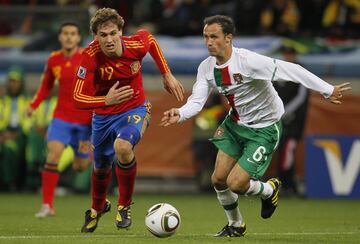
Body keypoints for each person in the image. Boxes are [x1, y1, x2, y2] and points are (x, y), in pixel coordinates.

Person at [160, 15, 351, 237]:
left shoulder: (249, 61)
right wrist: (180, 113)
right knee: (218, 179)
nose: (208, 42)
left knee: (236, 184)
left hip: (264, 129)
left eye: (214, 37)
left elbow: (294, 70)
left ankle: (269, 190)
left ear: (229, 38)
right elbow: (197, 100)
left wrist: (327, 90)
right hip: (235, 124)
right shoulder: (206, 67)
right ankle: (236, 225)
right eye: (205, 37)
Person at [73, 8, 184, 233]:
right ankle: (97, 208)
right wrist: (106, 99)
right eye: (103, 35)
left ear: (121, 31)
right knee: (101, 165)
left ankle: (124, 205)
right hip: (103, 116)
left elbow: (150, 39)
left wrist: (166, 73)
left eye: (113, 33)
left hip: (134, 109)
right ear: (95, 37)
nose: (109, 39)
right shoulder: (90, 55)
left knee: (122, 147)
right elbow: (77, 97)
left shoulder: (135, 45)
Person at [27, 22, 93, 218]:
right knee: (53, 155)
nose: (69, 37)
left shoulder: (87, 57)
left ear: (78, 38)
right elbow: (46, 86)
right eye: (65, 33)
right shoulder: (54, 59)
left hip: (84, 122)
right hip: (61, 118)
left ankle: (83, 157)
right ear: (60, 37)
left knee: (80, 167)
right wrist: (34, 104)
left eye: (73, 34)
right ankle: (47, 205)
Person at [273, 46, 309, 196]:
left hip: (293, 121)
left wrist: (285, 112)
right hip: (278, 119)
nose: (287, 56)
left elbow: (301, 97)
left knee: (287, 152)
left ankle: (288, 185)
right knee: (281, 152)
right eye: (285, 53)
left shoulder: (300, 71)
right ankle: (285, 185)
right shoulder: (278, 70)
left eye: (290, 53)